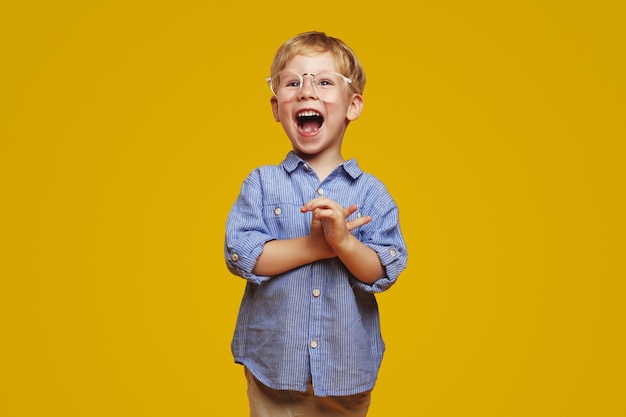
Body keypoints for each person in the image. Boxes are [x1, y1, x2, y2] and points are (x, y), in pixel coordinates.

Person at [224, 31, 408, 417]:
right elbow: (242, 255)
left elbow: (383, 270)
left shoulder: (372, 192)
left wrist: (345, 243)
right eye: (293, 82)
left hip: (346, 372)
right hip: (272, 369)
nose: (307, 91)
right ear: (277, 108)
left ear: (352, 105)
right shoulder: (261, 183)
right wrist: (319, 246)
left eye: (324, 82)